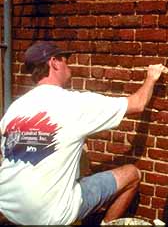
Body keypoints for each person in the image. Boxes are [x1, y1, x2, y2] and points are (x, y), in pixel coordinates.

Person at [0, 41, 165, 225]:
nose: (68, 65)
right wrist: (151, 77)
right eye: (65, 60)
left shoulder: (15, 109)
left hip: (8, 209)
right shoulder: (73, 104)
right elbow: (137, 103)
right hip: (51, 216)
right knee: (132, 174)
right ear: (54, 62)